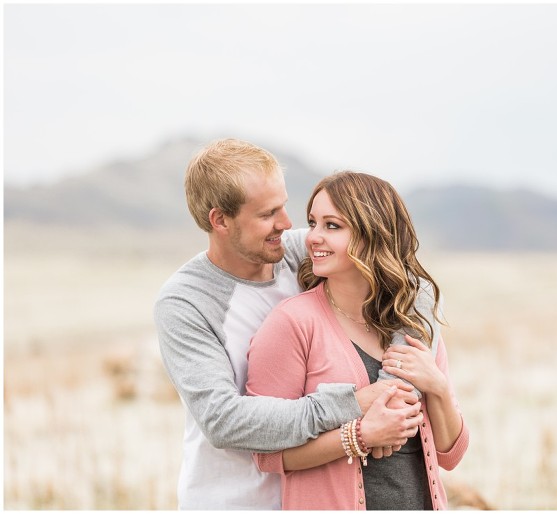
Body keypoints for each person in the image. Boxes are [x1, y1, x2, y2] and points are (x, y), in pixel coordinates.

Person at [154, 139, 424, 509]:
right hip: (235, 502)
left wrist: (392, 389)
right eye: (267, 214)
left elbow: (410, 280)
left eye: (283, 205)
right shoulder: (186, 302)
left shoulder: (298, 252)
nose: (286, 223)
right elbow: (223, 420)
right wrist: (354, 404)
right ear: (220, 220)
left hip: (315, 497)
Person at [246, 171, 470, 510]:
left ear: (373, 233)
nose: (313, 237)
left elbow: (451, 454)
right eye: (313, 223)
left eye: (332, 226)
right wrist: (359, 437)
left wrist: (436, 386)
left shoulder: (412, 324)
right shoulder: (292, 323)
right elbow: (266, 454)